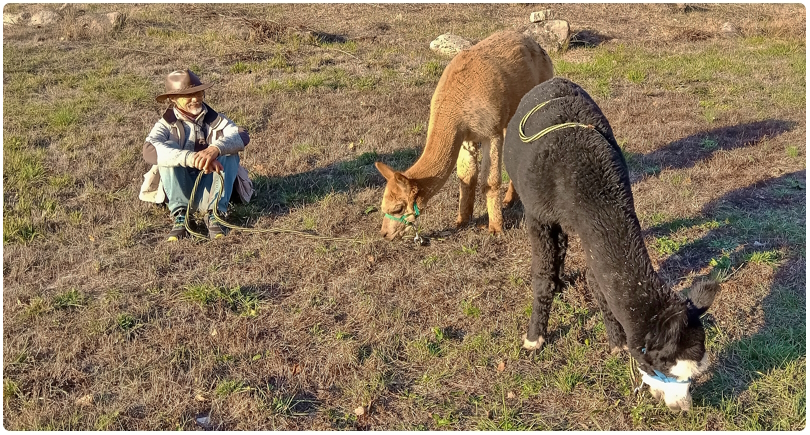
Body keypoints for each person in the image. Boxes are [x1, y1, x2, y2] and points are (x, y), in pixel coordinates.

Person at [139, 69, 252, 241]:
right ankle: (181, 215)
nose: (196, 98)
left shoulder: (217, 119)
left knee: (229, 152)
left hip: (212, 183)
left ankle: (215, 212)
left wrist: (215, 150)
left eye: (198, 92)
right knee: (166, 150)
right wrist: (191, 158)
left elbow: (242, 135)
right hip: (179, 186)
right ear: (173, 99)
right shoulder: (164, 125)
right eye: (188, 95)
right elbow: (149, 150)